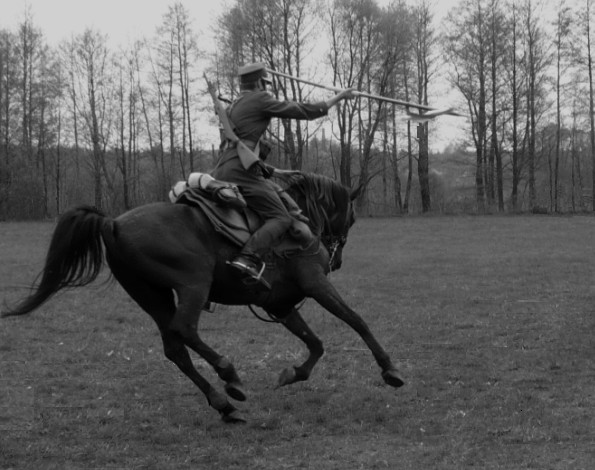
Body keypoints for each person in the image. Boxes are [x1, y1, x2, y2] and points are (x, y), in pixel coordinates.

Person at [212, 62, 354, 282]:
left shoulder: (235, 105)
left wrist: (277, 171)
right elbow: (303, 111)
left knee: (280, 196)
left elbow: (241, 150)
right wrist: (339, 97)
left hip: (222, 169)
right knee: (281, 217)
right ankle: (247, 257)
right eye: (265, 84)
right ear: (259, 82)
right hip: (240, 174)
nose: (266, 88)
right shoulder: (259, 99)